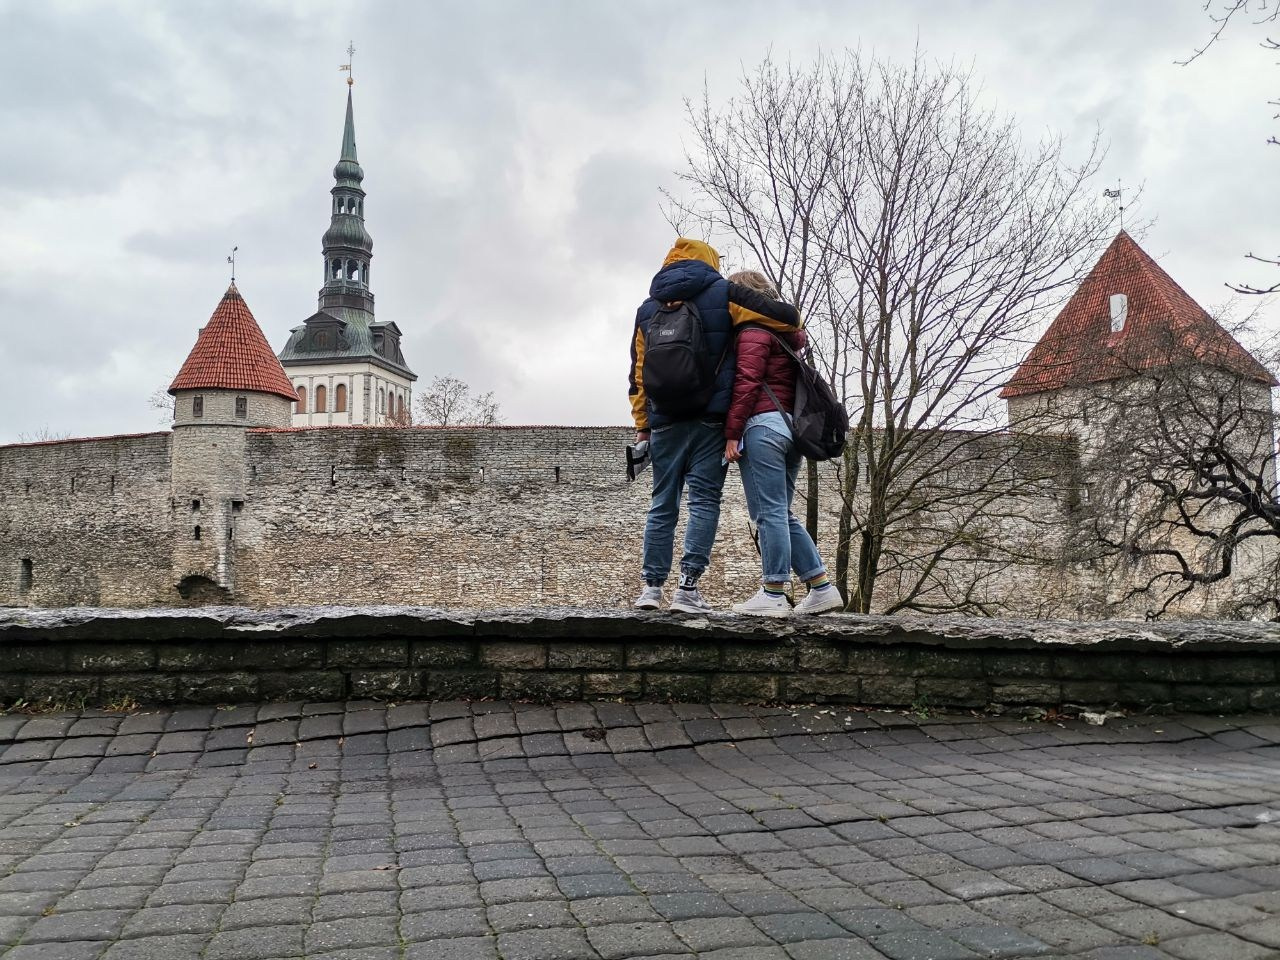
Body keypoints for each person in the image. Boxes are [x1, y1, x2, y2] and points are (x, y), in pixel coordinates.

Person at [628, 240, 799, 613]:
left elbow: (638, 376)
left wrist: (643, 428)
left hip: (664, 422)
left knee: (662, 504)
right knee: (704, 502)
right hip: (710, 420)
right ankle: (688, 590)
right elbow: (789, 319)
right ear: (710, 263)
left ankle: (651, 590)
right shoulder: (725, 293)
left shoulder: (647, 309)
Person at [722, 270, 843, 617]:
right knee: (780, 512)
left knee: (768, 513)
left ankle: (773, 591)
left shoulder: (753, 333)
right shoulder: (786, 335)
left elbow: (747, 382)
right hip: (791, 429)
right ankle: (821, 588)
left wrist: (732, 431)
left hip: (762, 428)